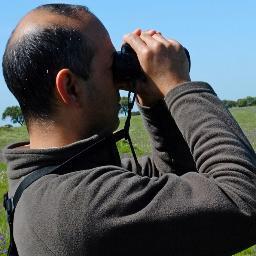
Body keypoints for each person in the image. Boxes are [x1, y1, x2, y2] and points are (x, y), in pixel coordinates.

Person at [2, 3, 256, 256]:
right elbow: (245, 198)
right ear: (70, 87)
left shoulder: (52, 178)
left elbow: (178, 181)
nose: (119, 79)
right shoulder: (79, 206)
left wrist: (155, 104)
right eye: (110, 66)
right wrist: (178, 85)